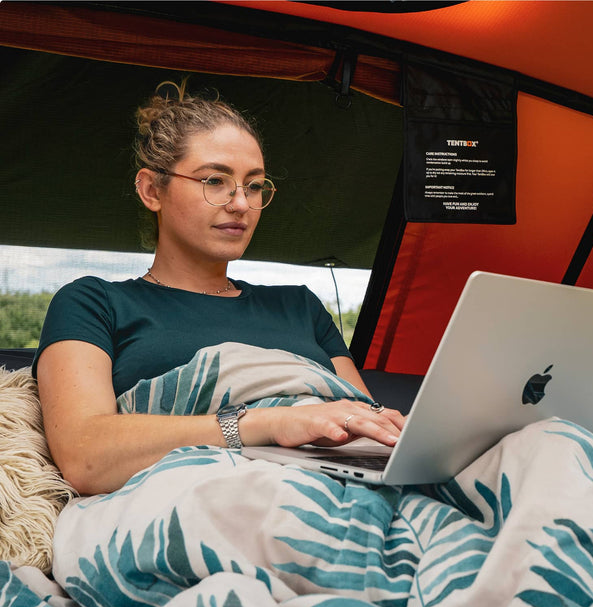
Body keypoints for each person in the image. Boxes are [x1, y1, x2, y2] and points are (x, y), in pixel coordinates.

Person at [33, 81, 405, 496]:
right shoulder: (94, 303)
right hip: (203, 500)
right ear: (152, 190)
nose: (241, 203)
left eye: (255, 185)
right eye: (215, 181)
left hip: (334, 488)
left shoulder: (299, 305)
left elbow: (368, 425)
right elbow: (86, 457)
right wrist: (267, 425)